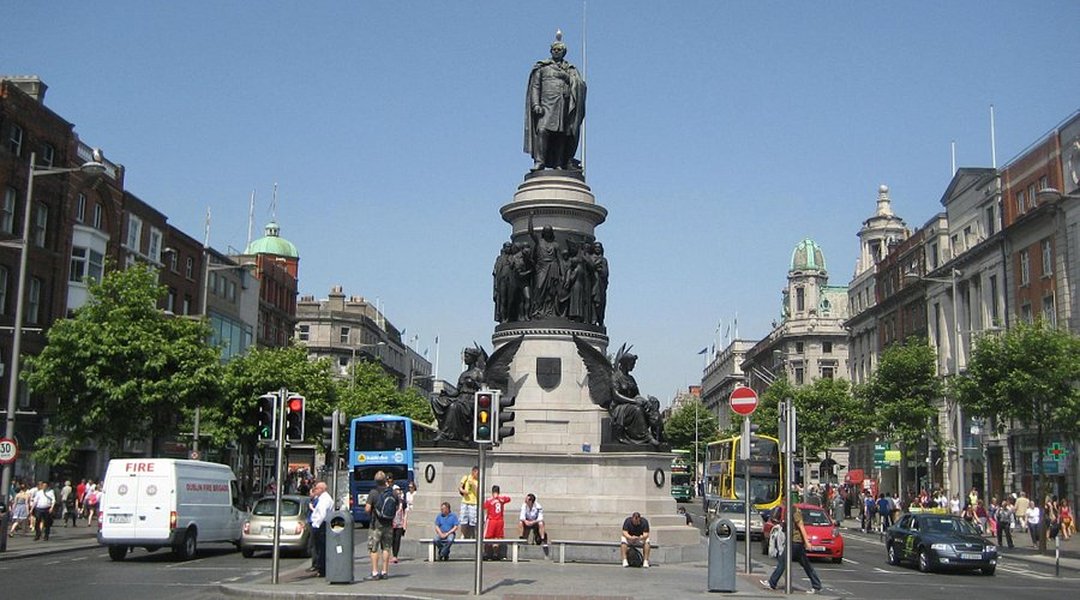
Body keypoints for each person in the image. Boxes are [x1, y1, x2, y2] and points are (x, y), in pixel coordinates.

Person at [524, 30, 586, 171]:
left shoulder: (570, 69)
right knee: (543, 130)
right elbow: (535, 87)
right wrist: (535, 104)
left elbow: (580, 85)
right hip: (546, 105)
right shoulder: (542, 67)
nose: (556, 52)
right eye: (554, 49)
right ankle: (540, 161)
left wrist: (567, 78)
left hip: (563, 106)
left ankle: (559, 163)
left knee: (561, 135)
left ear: (564, 52)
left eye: (559, 50)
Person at [762, 504, 824, 594]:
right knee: (806, 565)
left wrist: (807, 542)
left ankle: (772, 583)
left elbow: (801, 525)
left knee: (783, 562)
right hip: (794, 542)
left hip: (795, 542)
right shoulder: (788, 510)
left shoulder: (794, 510)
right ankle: (816, 585)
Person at [365, 471, 395, 580]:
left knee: (374, 548)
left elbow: (367, 509)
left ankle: (374, 572)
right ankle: (385, 571)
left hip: (376, 524)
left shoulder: (373, 492)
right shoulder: (392, 492)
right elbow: (396, 506)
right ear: (385, 480)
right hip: (389, 524)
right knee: (386, 548)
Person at [309, 481, 333, 577]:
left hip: (321, 526)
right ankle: (321, 568)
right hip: (321, 525)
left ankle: (322, 569)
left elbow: (322, 514)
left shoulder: (325, 500)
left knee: (321, 549)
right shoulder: (322, 498)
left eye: (317, 488)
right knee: (319, 548)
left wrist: (316, 524)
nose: (315, 490)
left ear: (322, 489)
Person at [482, 485, 512, 560]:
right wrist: (499, 498)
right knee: (498, 537)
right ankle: (495, 554)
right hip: (500, 521)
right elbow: (508, 499)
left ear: (492, 492)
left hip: (492, 520)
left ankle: (487, 554)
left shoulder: (489, 500)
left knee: (488, 537)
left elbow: (483, 506)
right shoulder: (502, 499)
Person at [457, 466, 480, 540]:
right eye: (477, 472)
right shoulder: (466, 477)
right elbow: (460, 487)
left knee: (474, 520)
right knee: (463, 519)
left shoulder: (478, 481)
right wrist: (464, 491)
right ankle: (463, 535)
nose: (478, 474)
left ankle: (475, 535)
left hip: (474, 502)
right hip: (465, 501)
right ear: (473, 471)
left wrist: (473, 485)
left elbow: (478, 493)